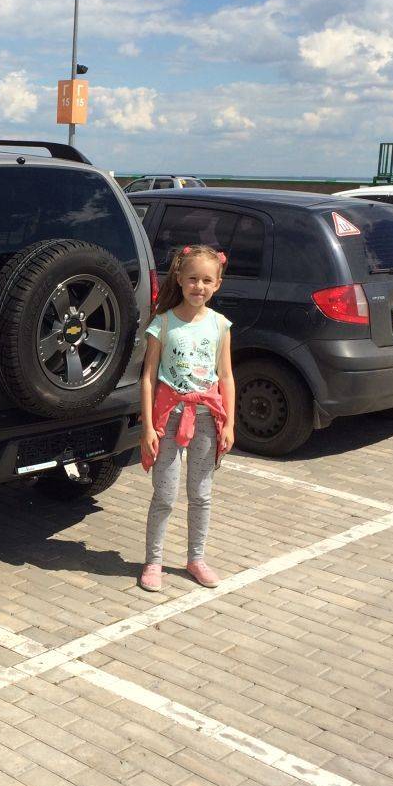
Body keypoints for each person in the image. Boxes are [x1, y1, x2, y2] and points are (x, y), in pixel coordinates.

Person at [138, 244, 236, 593]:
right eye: (193, 279)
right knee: (165, 495)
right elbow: (148, 378)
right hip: (169, 417)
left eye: (207, 280)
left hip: (207, 418)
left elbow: (226, 377)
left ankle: (196, 559)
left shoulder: (220, 325)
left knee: (201, 494)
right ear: (179, 279)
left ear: (217, 284)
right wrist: (147, 427)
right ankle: (153, 561)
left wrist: (230, 423)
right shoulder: (162, 324)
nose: (199, 286)